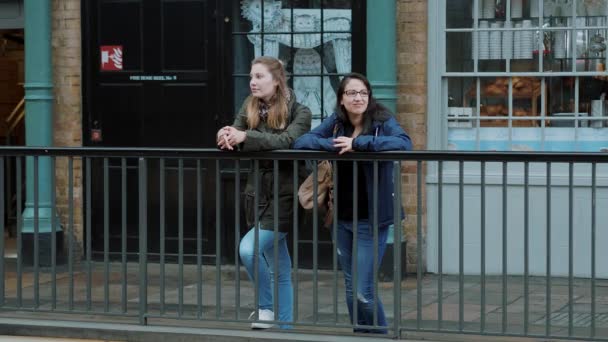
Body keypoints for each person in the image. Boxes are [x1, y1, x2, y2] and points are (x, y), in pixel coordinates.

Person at [293, 72, 412, 333]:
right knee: (350, 286)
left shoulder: (382, 120)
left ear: (369, 97)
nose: (358, 98)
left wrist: (359, 143)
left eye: (363, 93)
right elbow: (303, 140)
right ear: (342, 99)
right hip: (341, 215)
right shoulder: (337, 122)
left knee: (363, 290)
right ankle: (361, 335)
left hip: (372, 217)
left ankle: (381, 335)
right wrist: (335, 144)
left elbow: (404, 143)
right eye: (351, 93)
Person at [217, 56, 311, 329]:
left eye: (259, 76)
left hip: (285, 196)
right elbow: (235, 132)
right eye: (251, 76)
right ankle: (285, 328)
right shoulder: (250, 107)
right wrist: (225, 136)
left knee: (249, 249)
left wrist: (247, 138)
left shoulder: (301, 112)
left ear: (277, 80)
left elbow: (286, 141)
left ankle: (266, 308)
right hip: (256, 194)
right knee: (280, 267)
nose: (252, 82)